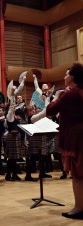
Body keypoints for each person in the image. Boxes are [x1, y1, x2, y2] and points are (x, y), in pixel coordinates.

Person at [46, 63, 83, 220]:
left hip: (75, 138)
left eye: (67, 74)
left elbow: (50, 111)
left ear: (73, 77)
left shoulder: (70, 94)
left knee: (77, 176)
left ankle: (79, 208)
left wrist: (56, 97)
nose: (64, 77)